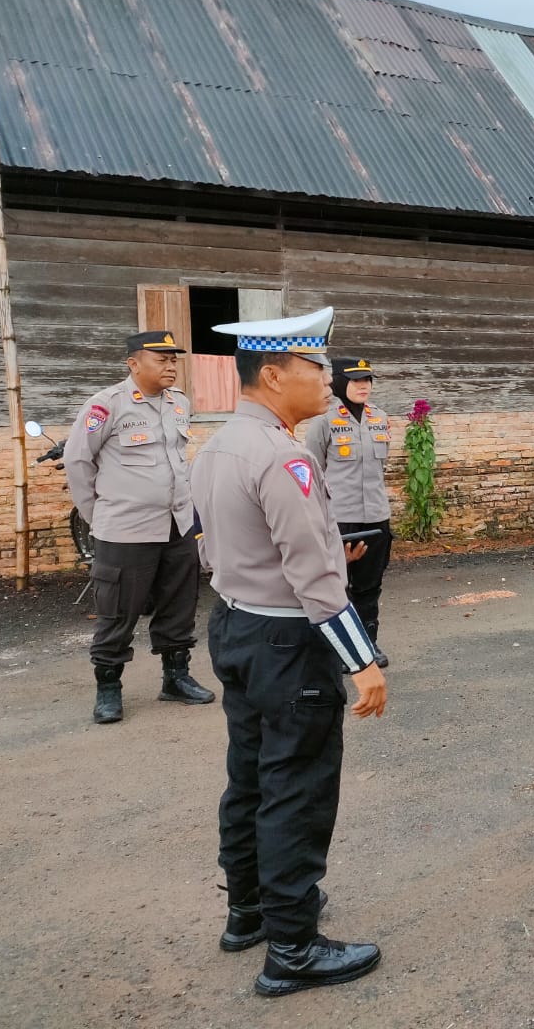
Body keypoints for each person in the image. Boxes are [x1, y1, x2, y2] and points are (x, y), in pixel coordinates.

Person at [191, 306, 387, 997]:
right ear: (273, 375)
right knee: (295, 788)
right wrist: (361, 662)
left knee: (249, 774)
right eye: (315, 367)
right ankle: (294, 949)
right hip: (286, 642)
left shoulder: (216, 444)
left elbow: (212, 540)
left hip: (237, 627)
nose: (328, 378)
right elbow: (315, 580)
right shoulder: (283, 453)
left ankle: (249, 912)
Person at [63, 329, 212, 724]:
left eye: (173, 359)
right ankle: (109, 689)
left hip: (177, 525)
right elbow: (78, 463)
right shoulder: (106, 406)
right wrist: (102, 517)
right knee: (117, 613)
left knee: (179, 607)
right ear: (133, 363)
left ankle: (175, 678)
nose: (169, 365)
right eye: (160, 358)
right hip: (125, 532)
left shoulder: (178, 404)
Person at [305, 358, 394, 667]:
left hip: (376, 518)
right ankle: (341, 649)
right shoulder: (323, 420)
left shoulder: (379, 418)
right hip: (340, 519)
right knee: (337, 586)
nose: (363, 385)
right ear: (340, 382)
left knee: (370, 586)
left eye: (368, 379)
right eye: (356, 380)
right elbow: (313, 471)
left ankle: (369, 644)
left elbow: (381, 468)